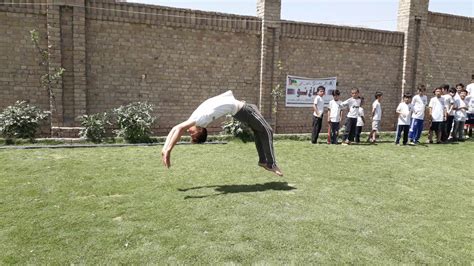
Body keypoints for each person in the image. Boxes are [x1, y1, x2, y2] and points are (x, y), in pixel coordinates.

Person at [161, 90, 283, 176]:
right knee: (268, 130)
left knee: (259, 131)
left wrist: (166, 149)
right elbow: (178, 130)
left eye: (190, 134)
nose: (188, 131)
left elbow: (175, 128)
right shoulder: (200, 120)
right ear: (200, 130)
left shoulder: (195, 118)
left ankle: (263, 161)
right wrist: (168, 150)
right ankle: (271, 164)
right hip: (245, 111)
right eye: (192, 134)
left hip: (244, 110)